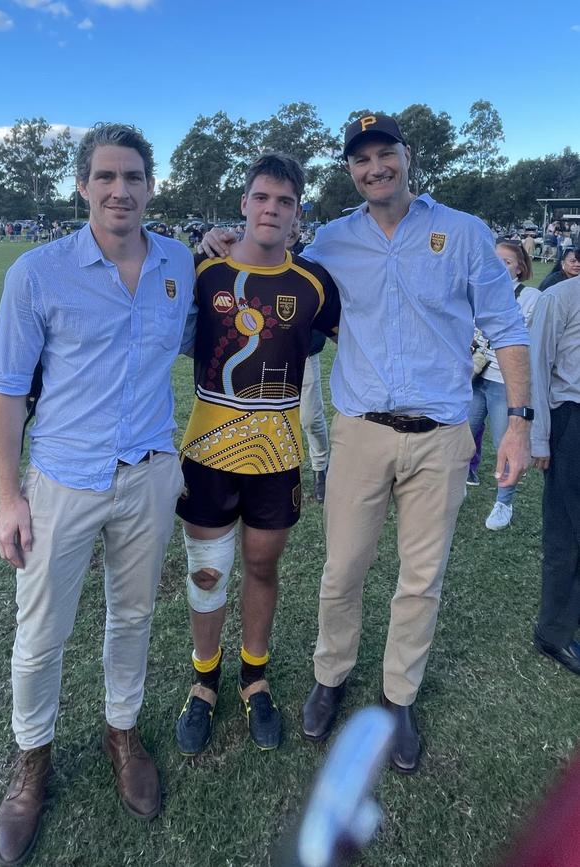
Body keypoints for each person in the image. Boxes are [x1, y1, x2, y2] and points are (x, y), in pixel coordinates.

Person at [201, 114, 531, 774]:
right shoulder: (330, 240)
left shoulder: (463, 233)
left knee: (420, 578)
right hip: (357, 431)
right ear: (350, 170)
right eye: (361, 159)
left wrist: (518, 421)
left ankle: (397, 697)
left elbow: (508, 326)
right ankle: (331, 674)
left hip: (440, 435)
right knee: (343, 569)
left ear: (408, 158)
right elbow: (275, 268)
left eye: (386, 154)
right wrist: (223, 242)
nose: (375, 166)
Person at [0, 122, 195, 867]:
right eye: (105, 177)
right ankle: (32, 761)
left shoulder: (178, 261)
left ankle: (122, 730)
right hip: (63, 481)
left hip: (149, 473)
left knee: (132, 615)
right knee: (41, 632)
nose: (120, 190)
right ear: (82, 185)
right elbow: (7, 394)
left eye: (133, 177)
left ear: (150, 186)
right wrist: (11, 498)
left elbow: (206, 339)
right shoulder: (36, 273)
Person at [174, 153, 340, 756]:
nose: (272, 209)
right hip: (208, 450)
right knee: (208, 572)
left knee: (263, 567)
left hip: (276, 454)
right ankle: (204, 681)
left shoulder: (315, 284)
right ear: (243, 203)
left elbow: (366, 338)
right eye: (262, 198)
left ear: (298, 213)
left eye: (285, 201)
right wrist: (201, 244)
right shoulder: (203, 272)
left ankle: (254, 676)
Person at [467, 240, 540, 529]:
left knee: (505, 443)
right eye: (494, 260)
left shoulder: (531, 296)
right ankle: (455, 485)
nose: (498, 267)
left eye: (506, 262)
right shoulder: (476, 291)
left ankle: (503, 502)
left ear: (520, 269)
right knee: (460, 438)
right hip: (474, 378)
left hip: (503, 383)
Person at [530, 274, 580, 677]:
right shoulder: (559, 298)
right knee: (566, 533)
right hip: (572, 420)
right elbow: (538, 368)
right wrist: (540, 437)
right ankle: (554, 632)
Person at [286, 218, 330, 500]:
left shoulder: (314, 261)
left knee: (310, 419)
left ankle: (321, 468)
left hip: (305, 355)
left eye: (294, 223)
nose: (288, 228)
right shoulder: (259, 258)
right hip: (268, 357)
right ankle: (284, 475)